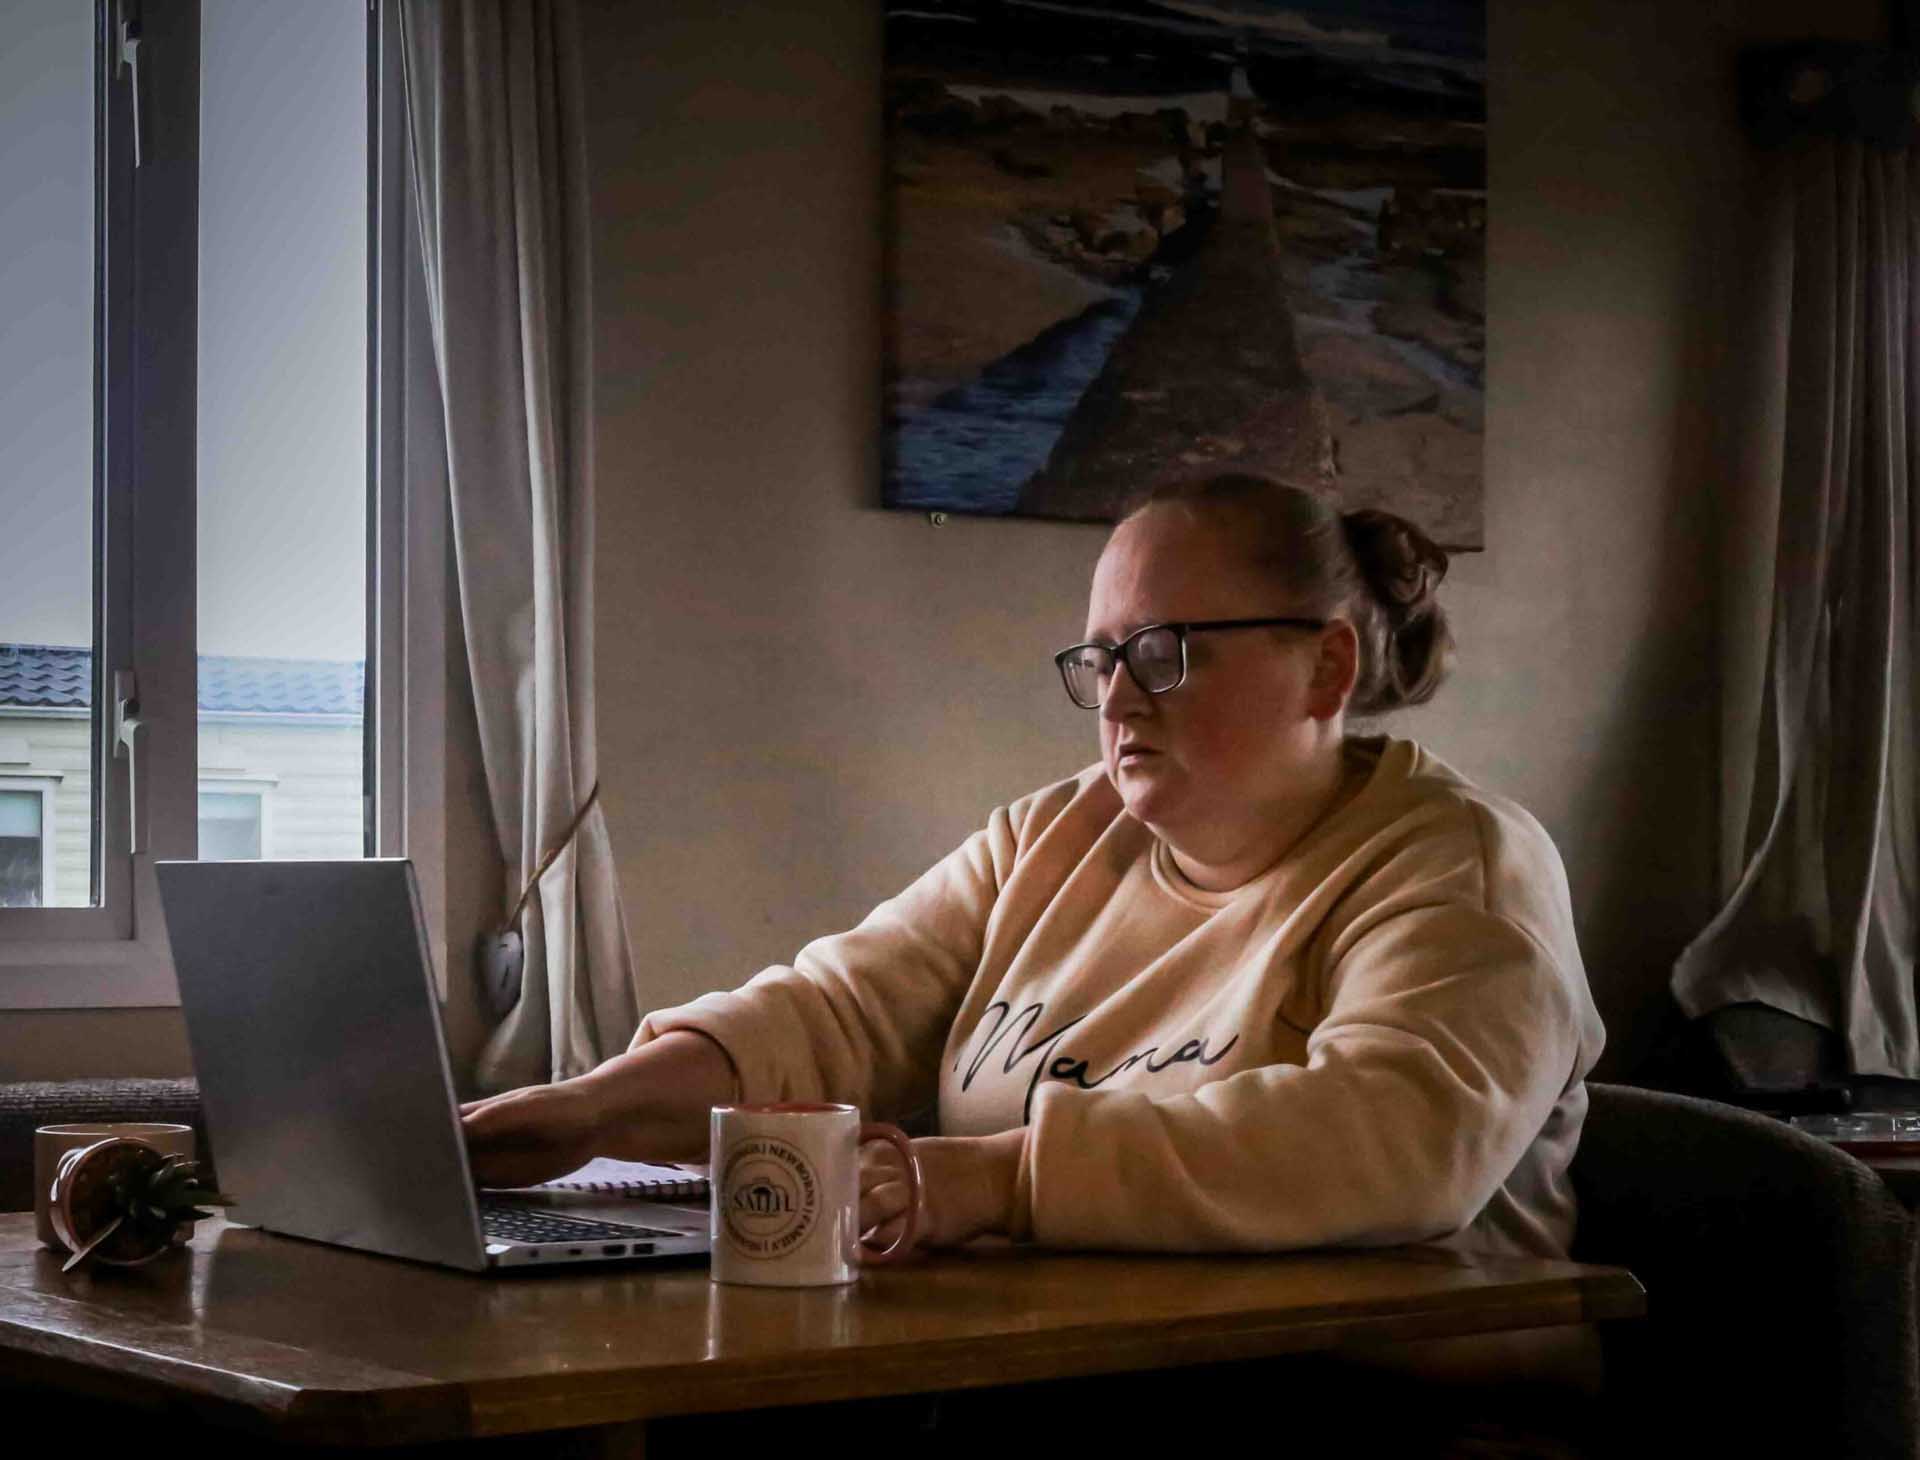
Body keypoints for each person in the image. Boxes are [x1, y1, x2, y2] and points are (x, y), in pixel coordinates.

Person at [466, 471, 1608, 1449]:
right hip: (1059, 1388)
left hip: (1377, 1420)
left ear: (1325, 667)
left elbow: (1393, 1142)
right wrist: (587, 1112)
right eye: (1100, 657)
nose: (1114, 699)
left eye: (1163, 654)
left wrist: (996, 1177)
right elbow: (838, 1010)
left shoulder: (1460, 865)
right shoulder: (1055, 834)